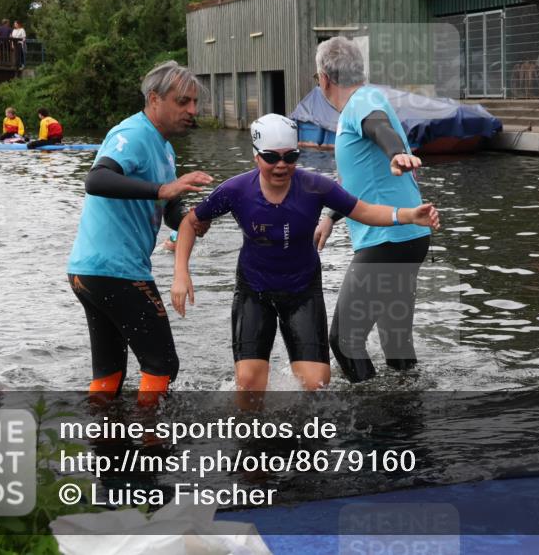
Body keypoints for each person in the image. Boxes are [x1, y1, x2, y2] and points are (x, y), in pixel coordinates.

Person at [171, 114, 439, 399]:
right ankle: (250, 440)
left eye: (290, 157)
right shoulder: (236, 190)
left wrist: (409, 215)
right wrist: (180, 273)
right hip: (254, 290)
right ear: (256, 157)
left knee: (316, 385)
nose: (281, 165)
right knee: (249, 384)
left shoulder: (314, 186)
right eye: (271, 157)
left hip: (302, 292)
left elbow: (364, 210)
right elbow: (190, 222)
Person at [67, 60, 212, 406]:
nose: (192, 110)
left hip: (88, 272)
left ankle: (106, 446)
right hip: (116, 271)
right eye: (183, 102)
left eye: (195, 102)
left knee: (109, 371)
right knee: (162, 364)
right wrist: (162, 189)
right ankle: (153, 444)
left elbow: (169, 209)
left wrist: (190, 219)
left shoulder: (164, 147)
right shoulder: (132, 135)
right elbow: (96, 180)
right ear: (154, 99)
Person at [312, 37, 432, 383]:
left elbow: (379, 126)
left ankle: (372, 410)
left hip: (387, 240)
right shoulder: (363, 101)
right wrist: (331, 216)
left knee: (344, 340)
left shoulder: (362, 101)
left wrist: (396, 152)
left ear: (324, 79)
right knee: (395, 343)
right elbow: (359, 176)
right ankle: (406, 419)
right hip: (408, 235)